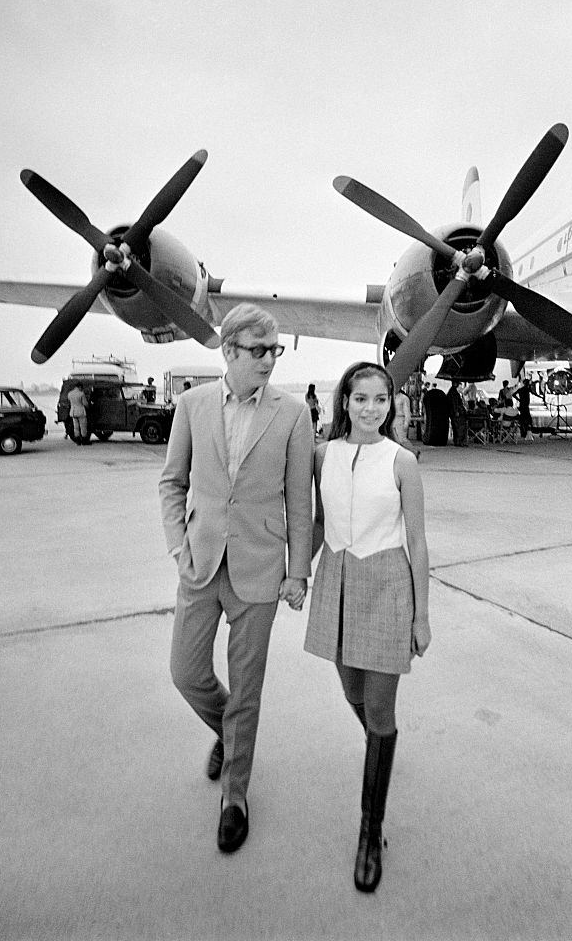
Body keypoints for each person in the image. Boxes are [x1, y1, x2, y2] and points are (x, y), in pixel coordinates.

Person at [159, 303, 314, 854]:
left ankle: (236, 796)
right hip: (200, 563)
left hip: (260, 568)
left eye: (275, 351)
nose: (270, 361)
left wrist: (298, 572)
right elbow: (172, 482)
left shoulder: (293, 414)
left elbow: (301, 500)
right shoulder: (192, 404)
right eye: (258, 351)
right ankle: (230, 733)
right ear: (228, 351)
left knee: (247, 687)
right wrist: (178, 544)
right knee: (185, 672)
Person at [304, 361, 430, 894]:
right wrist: (294, 576)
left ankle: (369, 831)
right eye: (361, 399)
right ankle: (383, 748)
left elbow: (418, 542)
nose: (371, 409)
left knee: (379, 709)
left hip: (385, 584)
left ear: (392, 405)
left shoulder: (403, 461)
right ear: (345, 403)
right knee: (353, 692)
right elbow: (314, 522)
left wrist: (421, 615)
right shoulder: (321, 456)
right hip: (335, 575)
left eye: (382, 400)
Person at [393, 387, 419, 457]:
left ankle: (414, 452)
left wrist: (406, 422)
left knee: (402, 440)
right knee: (394, 440)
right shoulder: (390, 397)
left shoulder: (404, 398)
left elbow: (407, 411)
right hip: (392, 420)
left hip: (400, 419)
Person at [447, 381, 468, 446]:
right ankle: (459, 441)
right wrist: (456, 411)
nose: (461, 388)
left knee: (456, 427)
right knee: (459, 427)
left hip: (454, 412)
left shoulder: (452, 392)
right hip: (456, 413)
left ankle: (457, 441)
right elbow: (454, 403)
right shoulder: (454, 393)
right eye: (460, 386)